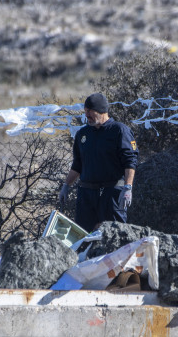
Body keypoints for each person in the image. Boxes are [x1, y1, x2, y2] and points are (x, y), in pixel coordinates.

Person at [58, 92, 138, 232]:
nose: (87, 115)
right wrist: (66, 185)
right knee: (83, 235)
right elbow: (77, 164)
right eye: (85, 111)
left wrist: (128, 187)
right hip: (87, 194)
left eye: (90, 111)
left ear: (102, 111)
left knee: (115, 234)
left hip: (112, 193)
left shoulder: (119, 130)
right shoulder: (83, 134)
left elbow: (130, 161)